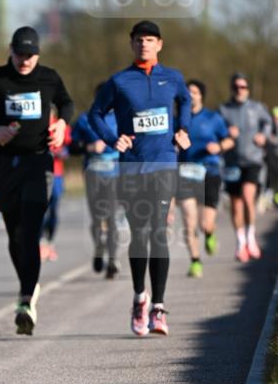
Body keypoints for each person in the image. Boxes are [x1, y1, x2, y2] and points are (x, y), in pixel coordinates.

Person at [0, 26, 73, 334]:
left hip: (39, 161)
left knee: (30, 230)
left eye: (30, 55)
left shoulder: (49, 77)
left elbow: (66, 103)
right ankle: (27, 287)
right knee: (15, 234)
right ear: (10, 51)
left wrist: (62, 124)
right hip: (5, 163)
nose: (25, 60)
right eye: (20, 54)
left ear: (38, 54)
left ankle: (27, 299)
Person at [88, 21, 191, 337]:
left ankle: (158, 307)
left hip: (163, 163)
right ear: (131, 44)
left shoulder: (172, 78)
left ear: (159, 44)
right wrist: (112, 139)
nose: (144, 44)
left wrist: (183, 128)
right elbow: (94, 114)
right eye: (138, 40)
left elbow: (186, 100)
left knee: (158, 231)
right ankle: (139, 298)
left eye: (149, 39)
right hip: (132, 167)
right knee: (139, 234)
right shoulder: (119, 81)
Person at [176, 80, 234, 277]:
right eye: (187, 92)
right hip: (185, 173)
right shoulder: (178, 120)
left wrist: (219, 147)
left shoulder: (213, 118)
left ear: (201, 95)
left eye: (194, 92)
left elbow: (228, 140)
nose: (191, 95)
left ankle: (209, 233)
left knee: (205, 224)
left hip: (209, 173)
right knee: (188, 221)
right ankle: (195, 261)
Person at [219, 73, 273, 261]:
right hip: (232, 162)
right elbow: (216, 130)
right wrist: (226, 132)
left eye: (243, 87)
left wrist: (263, 135)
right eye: (236, 87)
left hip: (253, 160)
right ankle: (240, 242)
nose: (239, 90)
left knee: (248, 197)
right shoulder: (224, 110)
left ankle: (251, 238)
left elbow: (268, 122)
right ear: (231, 89)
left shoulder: (257, 107)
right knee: (236, 204)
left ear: (248, 89)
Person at [71, 90, 121, 278]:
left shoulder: (121, 118)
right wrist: (89, 147)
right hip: (92, 175)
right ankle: (99, 248)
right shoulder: (85, 119)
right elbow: (72, 147)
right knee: (97, 219)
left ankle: (113, 260)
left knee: (111, 217)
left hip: (115, 175)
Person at [40, 119, 72, 262]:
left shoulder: (60, 125)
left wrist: (60, 152)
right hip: (39, 174)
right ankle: (41, 243)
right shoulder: (36, 122)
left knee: (53, 211)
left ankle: (50, 241)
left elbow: (68, 149)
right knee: (40, 209)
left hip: (57, 174)